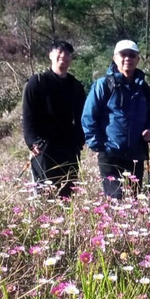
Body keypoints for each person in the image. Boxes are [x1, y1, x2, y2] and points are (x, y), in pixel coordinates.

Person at [82, 40, 150, 199]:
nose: (128, 59)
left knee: (133, 202)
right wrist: (98, 145)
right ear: (115, 58)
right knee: (115, 201)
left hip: (136, 155)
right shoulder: (103, 85)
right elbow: (89, 116)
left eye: (132, 55)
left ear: (138, 59)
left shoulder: (144, 88)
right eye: (123, 55)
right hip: (110, 154)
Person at [22, 39, 86, 198]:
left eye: (67, 54)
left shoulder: (75, 85)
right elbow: (28, 115)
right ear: (50, 55)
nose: (63, 56)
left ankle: (64, 221)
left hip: (69, 146)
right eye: (59, 52)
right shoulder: (36, 82)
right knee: (45, 191)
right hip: (43, 146)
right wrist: (32, 142)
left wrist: (80, 141)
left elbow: (81, 117)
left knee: (67, 191)